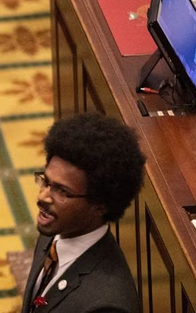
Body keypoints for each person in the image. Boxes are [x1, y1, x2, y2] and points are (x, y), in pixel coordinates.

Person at [21, 113, 145, 313]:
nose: (43, 197)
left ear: (99, 205)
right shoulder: (56, 231)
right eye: (46, 181)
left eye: (62, 191)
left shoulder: (107, 305)